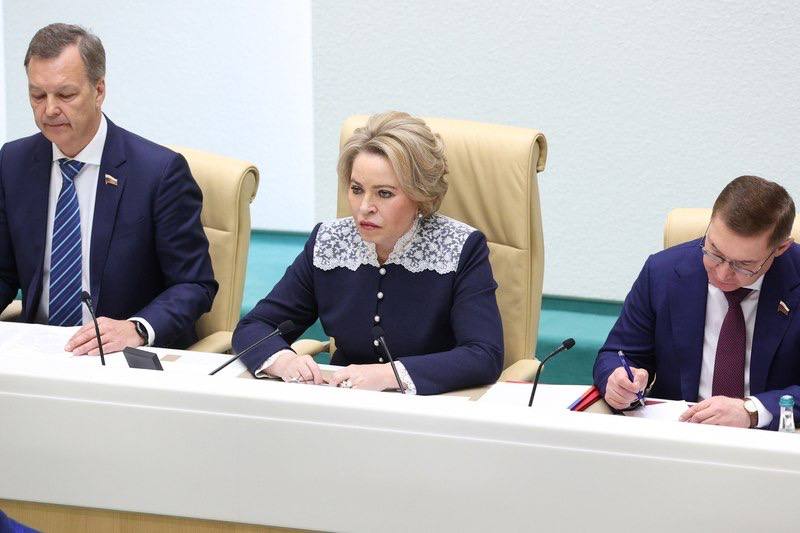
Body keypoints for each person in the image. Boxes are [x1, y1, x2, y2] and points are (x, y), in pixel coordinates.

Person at [232, 111, 503, 395]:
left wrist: (389, 375)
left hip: (429, 407)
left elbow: (484, 354)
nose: (364, 207)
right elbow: (256, 325)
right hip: (343, 402)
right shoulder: (329, 242)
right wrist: (284, 361)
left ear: (422, 196)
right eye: (356, 189)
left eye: (384, 193)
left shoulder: (460, 247)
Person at [0, 23, 217, 353]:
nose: (50, 109)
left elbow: (194, 284)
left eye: (66, 94)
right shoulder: (13, 162)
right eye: (38, 96)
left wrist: (137, 328)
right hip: (39, 350)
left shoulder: (158, 172)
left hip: (123, 354)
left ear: (99, 90)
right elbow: (3, 272)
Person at [594, 175, 800, 430]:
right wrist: (618, 381)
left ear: (780, 249)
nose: (722, 274)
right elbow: (618, 353)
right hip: (677, 432)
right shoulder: (662, 272)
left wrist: (752, 411)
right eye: (715, 252)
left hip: (769, 439)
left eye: (743, 265)